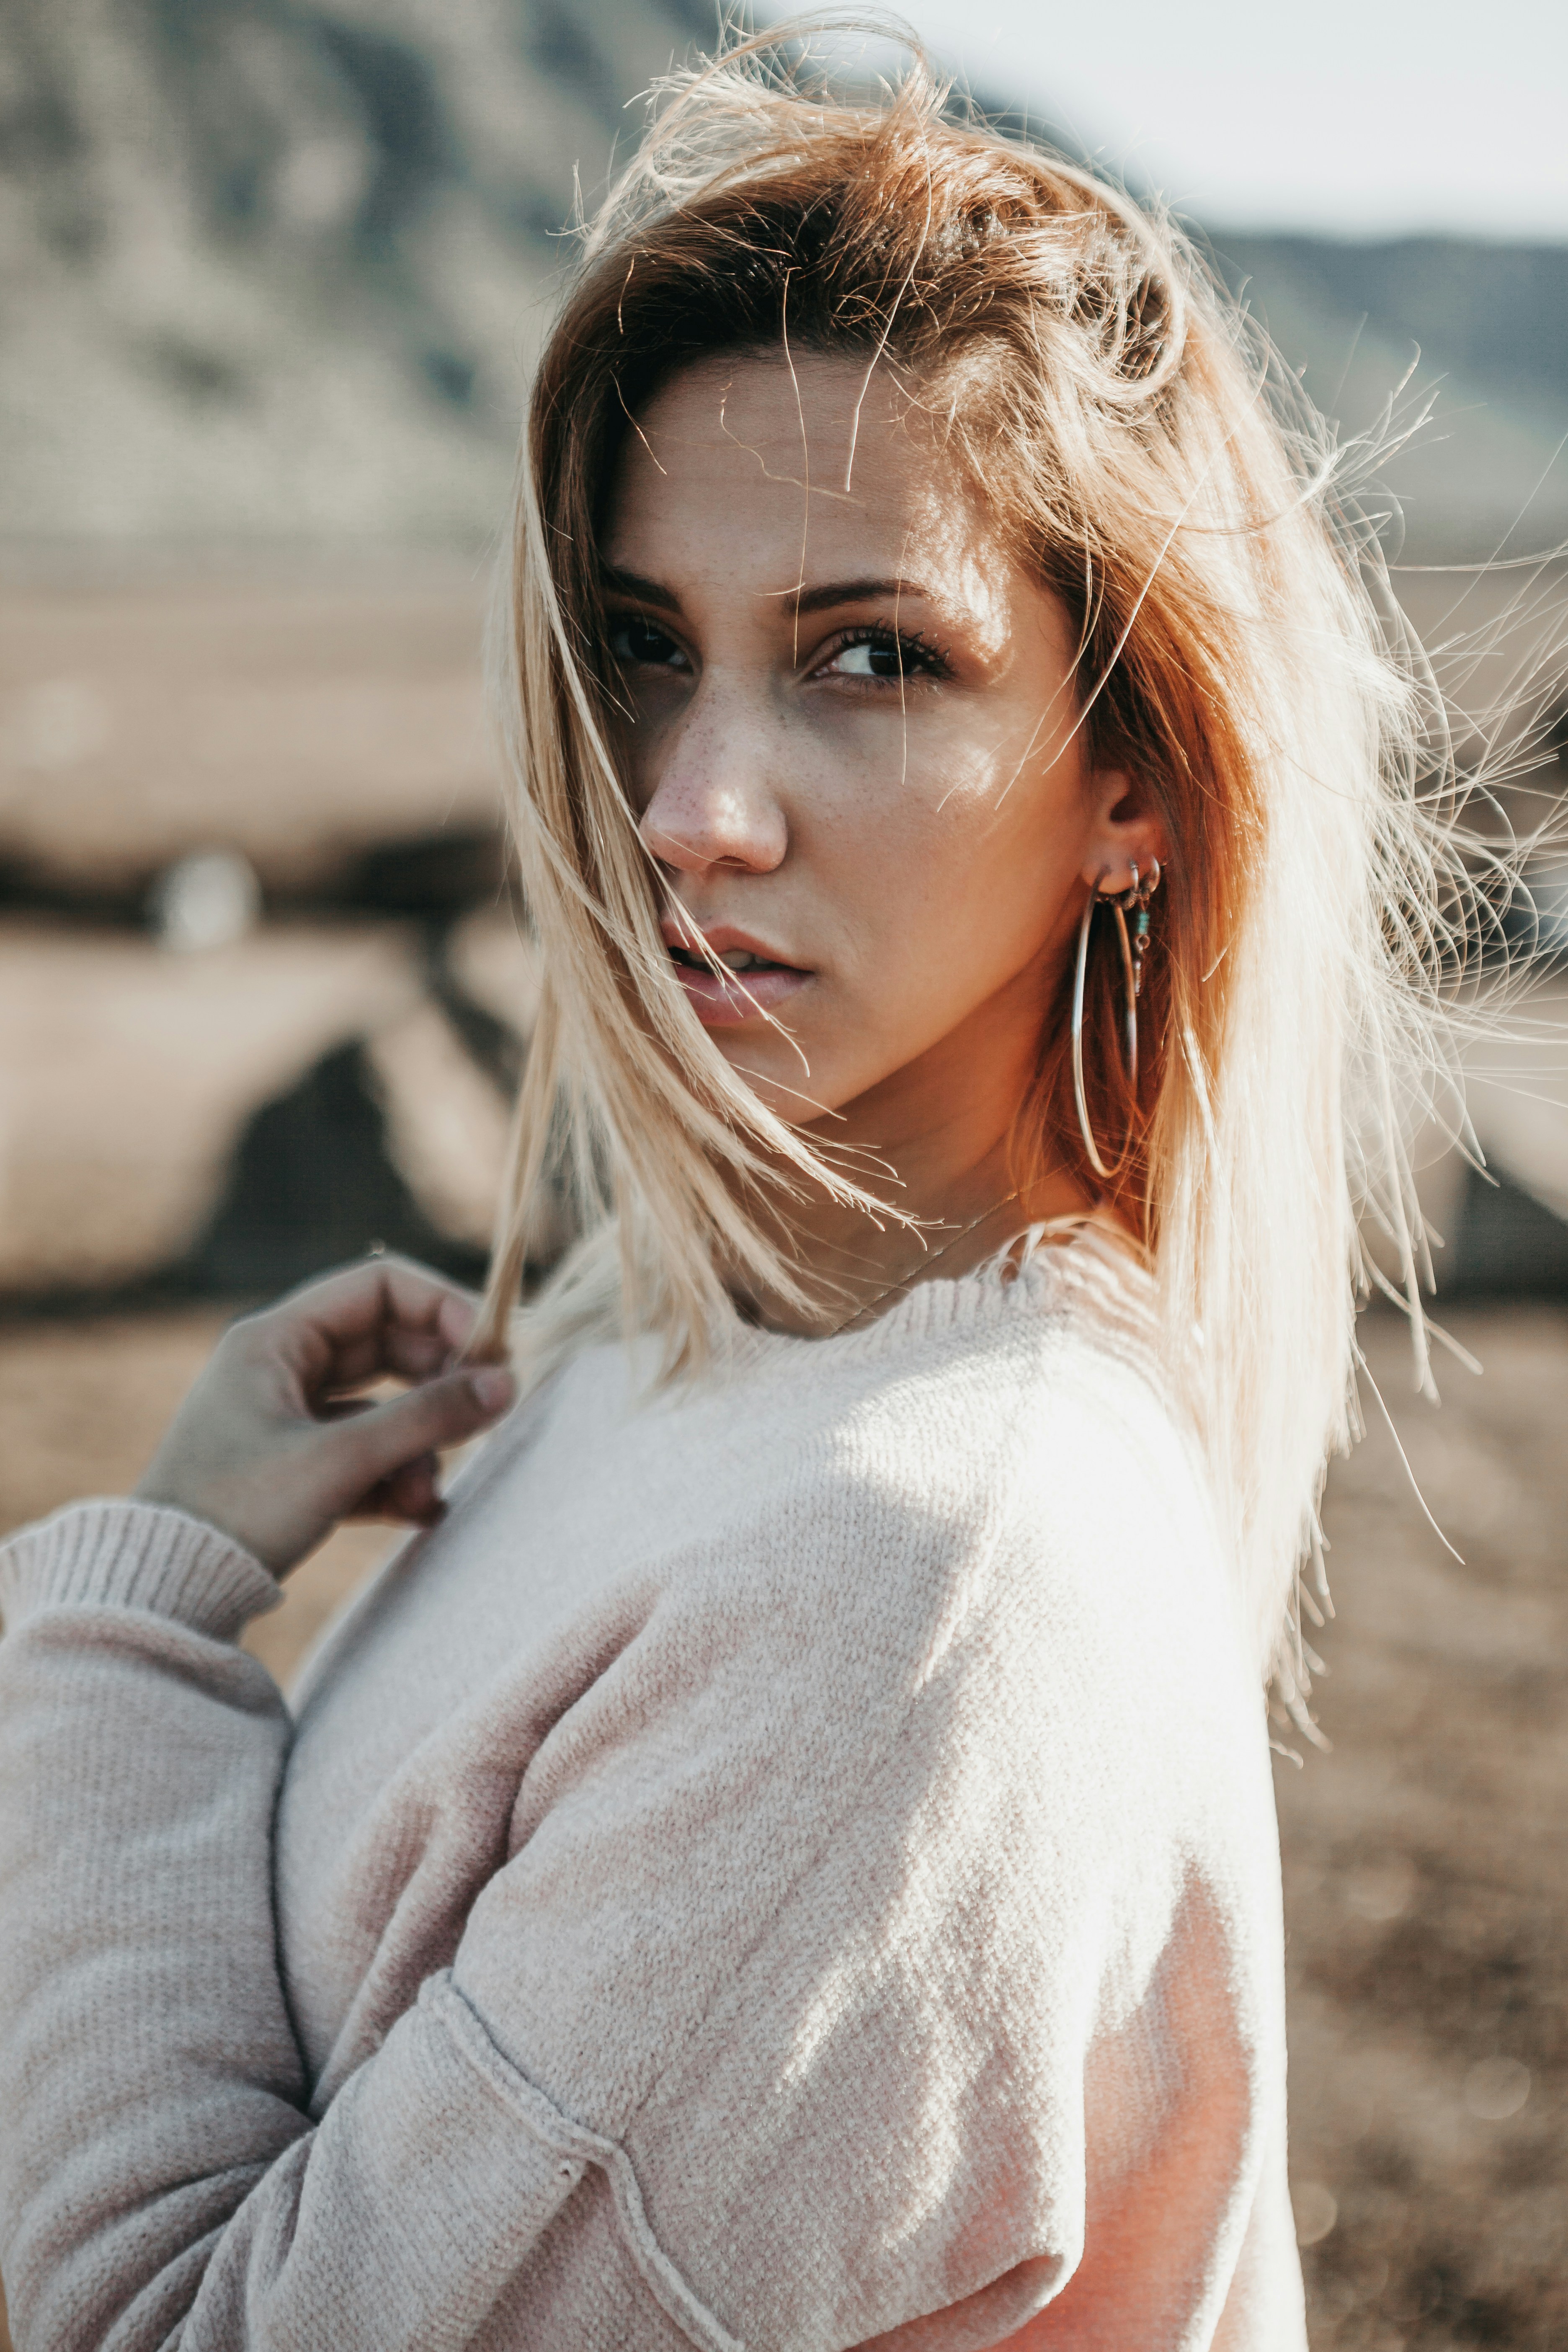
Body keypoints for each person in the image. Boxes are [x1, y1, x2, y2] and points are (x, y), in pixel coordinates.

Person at [0, 28, 1463, 2351]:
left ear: (1138, 784)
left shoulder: (916, 1589)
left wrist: (129, 1631)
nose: (691, 807)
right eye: (645, 649)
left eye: (871, 657)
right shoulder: (664, 1349)